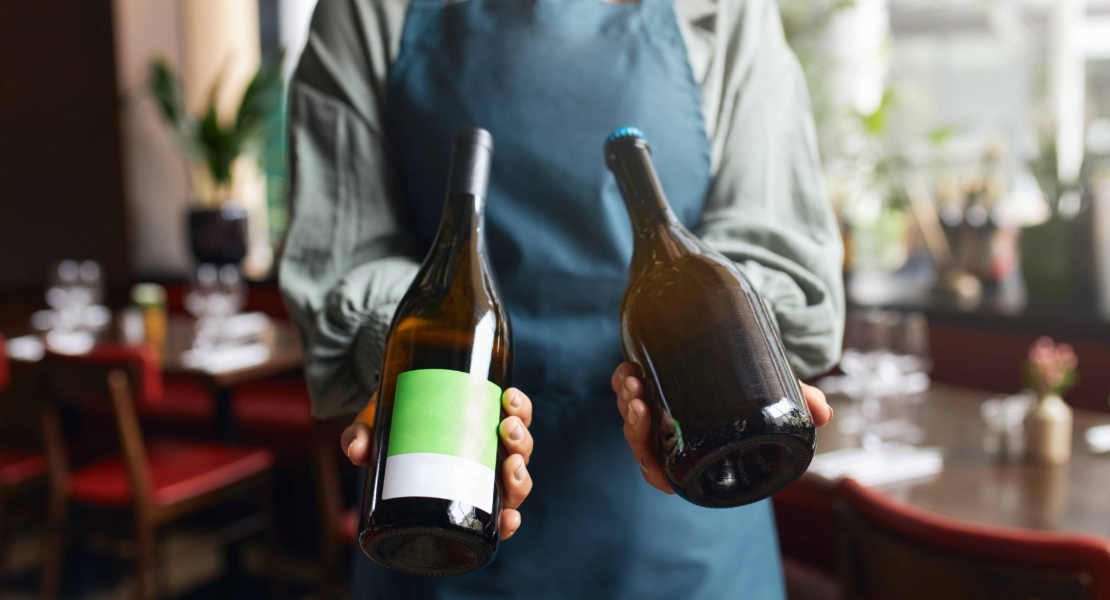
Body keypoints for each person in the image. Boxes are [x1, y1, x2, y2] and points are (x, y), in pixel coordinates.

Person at [279, 0, 844, 597]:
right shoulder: (366, 9)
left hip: (686, 507)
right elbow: (342, 252)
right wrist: (420, 369)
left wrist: (728, 357)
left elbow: (774, 239)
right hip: (443, 497)